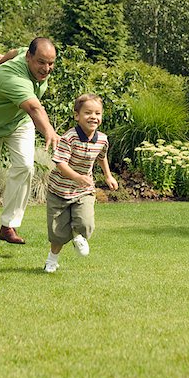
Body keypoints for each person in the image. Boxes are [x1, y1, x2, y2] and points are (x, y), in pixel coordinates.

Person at [0, 37, 59, 251]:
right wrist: (50, 132)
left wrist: (0, 58)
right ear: (29, 57)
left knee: (26, 166)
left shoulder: (23, 56)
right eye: (41, 62)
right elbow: (35, 108)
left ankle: (8, 226)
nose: (46, 69)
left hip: (17, 121)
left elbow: (13, 50)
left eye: (51, 63)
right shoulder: (13, 77)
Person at [44, 93, 118, 273]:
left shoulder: (102, 139)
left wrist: (108, 176)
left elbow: (102, 157)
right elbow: (60, 163)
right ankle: (52, 260)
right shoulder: (68, 137)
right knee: (57, 233)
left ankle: (79, 235)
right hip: (58, 190)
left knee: (86, 223)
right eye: (88, 113)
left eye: (98, 113)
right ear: (77, 116)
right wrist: (76, 176)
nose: (93, 117)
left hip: (83, 190)